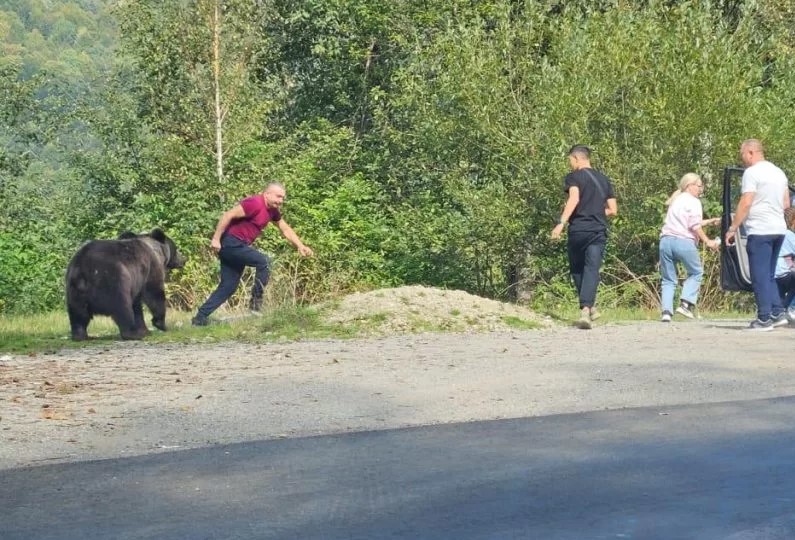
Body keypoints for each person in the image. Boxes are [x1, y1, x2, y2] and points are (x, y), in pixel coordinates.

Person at [192, 182, 313, 326]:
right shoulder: (255, 203)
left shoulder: (273, 210)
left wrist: (300, 246)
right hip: (230, 243)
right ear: (267, 194)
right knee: (264, 261)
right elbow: (228, 215)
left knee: (228, 286)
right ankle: (255, 306)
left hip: (238, 246)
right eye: (278, 196)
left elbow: (284, 229)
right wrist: (216, 239)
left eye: (283, 198)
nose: (281, 201)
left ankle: (199, 318)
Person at [725, 139, 790, 331]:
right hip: (779, 228)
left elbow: (746, 202)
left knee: (759, 275)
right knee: (769, 274)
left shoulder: (752, 173)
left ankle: (763, 319)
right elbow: (786, 203)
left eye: (742, 154)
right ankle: (777, 313)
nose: (742, 158)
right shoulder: (779, 172)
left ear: (751, 152)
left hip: (760, 230)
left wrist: (733, 228)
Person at [551, 145, 618, 329]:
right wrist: (597, 210)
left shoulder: (574, 177)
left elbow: (574, 199)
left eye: (570, 161)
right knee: (592, 269)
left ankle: (585, 310)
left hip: (579, 229)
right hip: (598, 230)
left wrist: (561, 223)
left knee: (577, 269)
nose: (570, 164)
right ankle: (590, 307)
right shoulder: (604, 180)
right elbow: (613, 210)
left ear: (577, 158)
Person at [658, 173, 720, 323]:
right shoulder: (693, 201)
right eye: (699, 186)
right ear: (689, 186)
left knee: (668, 279)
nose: (701, 189)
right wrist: (708, 241)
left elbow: (687, 222)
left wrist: (710, 221)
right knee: (696, 272)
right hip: (683, 242)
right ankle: (685, 304)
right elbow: (694, 225)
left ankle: (666, 312)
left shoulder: (676, 200)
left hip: (666, 241)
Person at [774, 207, 795, 312]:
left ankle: (779, 311)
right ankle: (789, 307)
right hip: (784, 273)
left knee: (780, 293)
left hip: (773, 273)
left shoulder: (774, 233)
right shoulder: (790, 235)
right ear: (793, 221)